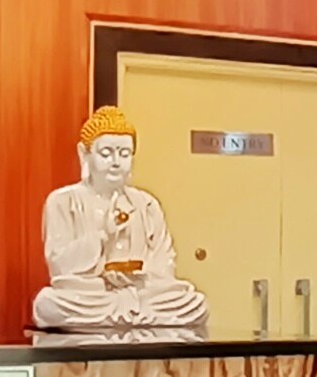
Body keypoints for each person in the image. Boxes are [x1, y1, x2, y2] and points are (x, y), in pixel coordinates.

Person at [30, 106, 209, 335]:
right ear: (84, 154)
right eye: (106, 153)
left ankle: (132, 311)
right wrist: (103, 235)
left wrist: (138, 276)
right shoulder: (63, 201)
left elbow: (164, 261)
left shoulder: (147, 204)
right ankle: (131, 314)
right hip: (92, 296)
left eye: (124, 154)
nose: (116, 162)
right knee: (48, 304)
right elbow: (60, 264)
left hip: (142, 295)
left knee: (195, 302)